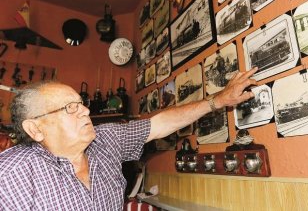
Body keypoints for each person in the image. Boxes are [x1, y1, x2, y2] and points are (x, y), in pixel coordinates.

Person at [0, 68, 257, 210]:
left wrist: (218, 100)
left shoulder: (105, 139)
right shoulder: (11, 174)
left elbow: (160, 124)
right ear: (35, 129)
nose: (86, 111)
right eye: (70, 108)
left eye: (82, 103)